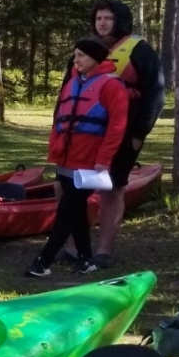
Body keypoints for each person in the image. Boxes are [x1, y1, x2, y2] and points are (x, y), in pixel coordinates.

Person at [26, 39, 129, 278]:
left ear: (95, 58)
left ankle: (43, 261)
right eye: (75, 55)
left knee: (67, 209)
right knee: (75, 209)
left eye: (81, 55)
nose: (76, 59)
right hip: (67, 159)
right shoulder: (73, 82)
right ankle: (85, 259)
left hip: (91, 163)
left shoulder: (112, 86)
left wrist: (103, 160)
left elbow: (117, 127)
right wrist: (56, 153)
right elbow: (60, 119)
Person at [84, 0, 165, 267]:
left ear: (120, 20)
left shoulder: (139, 50)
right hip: (85, 132)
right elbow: (69, 89)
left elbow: (155, 93)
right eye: (99, 19)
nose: (103, 23)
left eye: (108, 18)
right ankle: (72, 246)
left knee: (113, 188)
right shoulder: (86, 49)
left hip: (123, 132)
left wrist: (139, 132)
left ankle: (104, 251)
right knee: (69, 187)